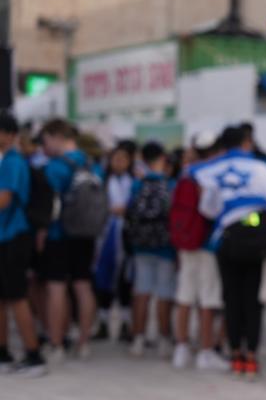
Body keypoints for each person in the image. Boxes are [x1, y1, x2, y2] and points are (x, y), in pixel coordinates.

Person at [191, 126, 266, 379]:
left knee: (231, 298)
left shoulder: (209, 170)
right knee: (253, 298)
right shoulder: (262, 168)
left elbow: (208, 210)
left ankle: (235, 353)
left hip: (227, 241)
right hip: (257, 241)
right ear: (247, 142)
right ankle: (252, 357)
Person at [38, 118, 99, 363]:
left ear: (55, 136)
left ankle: (56, 343)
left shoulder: (54, 167)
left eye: (46, 140)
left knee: (57, 288)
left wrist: (42, 233)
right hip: (86, 234)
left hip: (58, 235)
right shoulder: (91, 163)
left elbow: (49, 207)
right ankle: (83, 343)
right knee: (83, 287)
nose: (44, 146)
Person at [171, 132, 229, 372]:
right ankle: (206, 350)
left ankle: (181, 347)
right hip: (206, 244)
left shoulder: (186, 174)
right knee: (208, 298)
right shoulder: (211, 175)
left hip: (186, 242)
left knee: (185, 295)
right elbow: (210, 210)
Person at [0, 113, 46, 376]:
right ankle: (3, 352)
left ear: (8, 134)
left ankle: (33, 354)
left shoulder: (13, 162)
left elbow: (4, 200)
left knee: (17, 297)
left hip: (15, 236)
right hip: (6, 236)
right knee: (4, 297)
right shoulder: (8, 160)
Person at [125, 142, 177, 358]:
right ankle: (165, 340)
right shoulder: (170, 185)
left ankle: (137, 339)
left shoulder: (137, 185)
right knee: (164, 294)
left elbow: (129, 213)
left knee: (141, 292)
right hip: (165, 247)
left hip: (141, 246)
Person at [93, 142, 136, 344]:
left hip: (126, 233)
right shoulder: (102, 181)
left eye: (123, 158)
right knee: (103, 277)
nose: (119, 162)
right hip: (106, 233)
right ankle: (102, 321)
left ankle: (127, 322)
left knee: (125, 279)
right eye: (116, 158)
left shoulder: (134, 182)